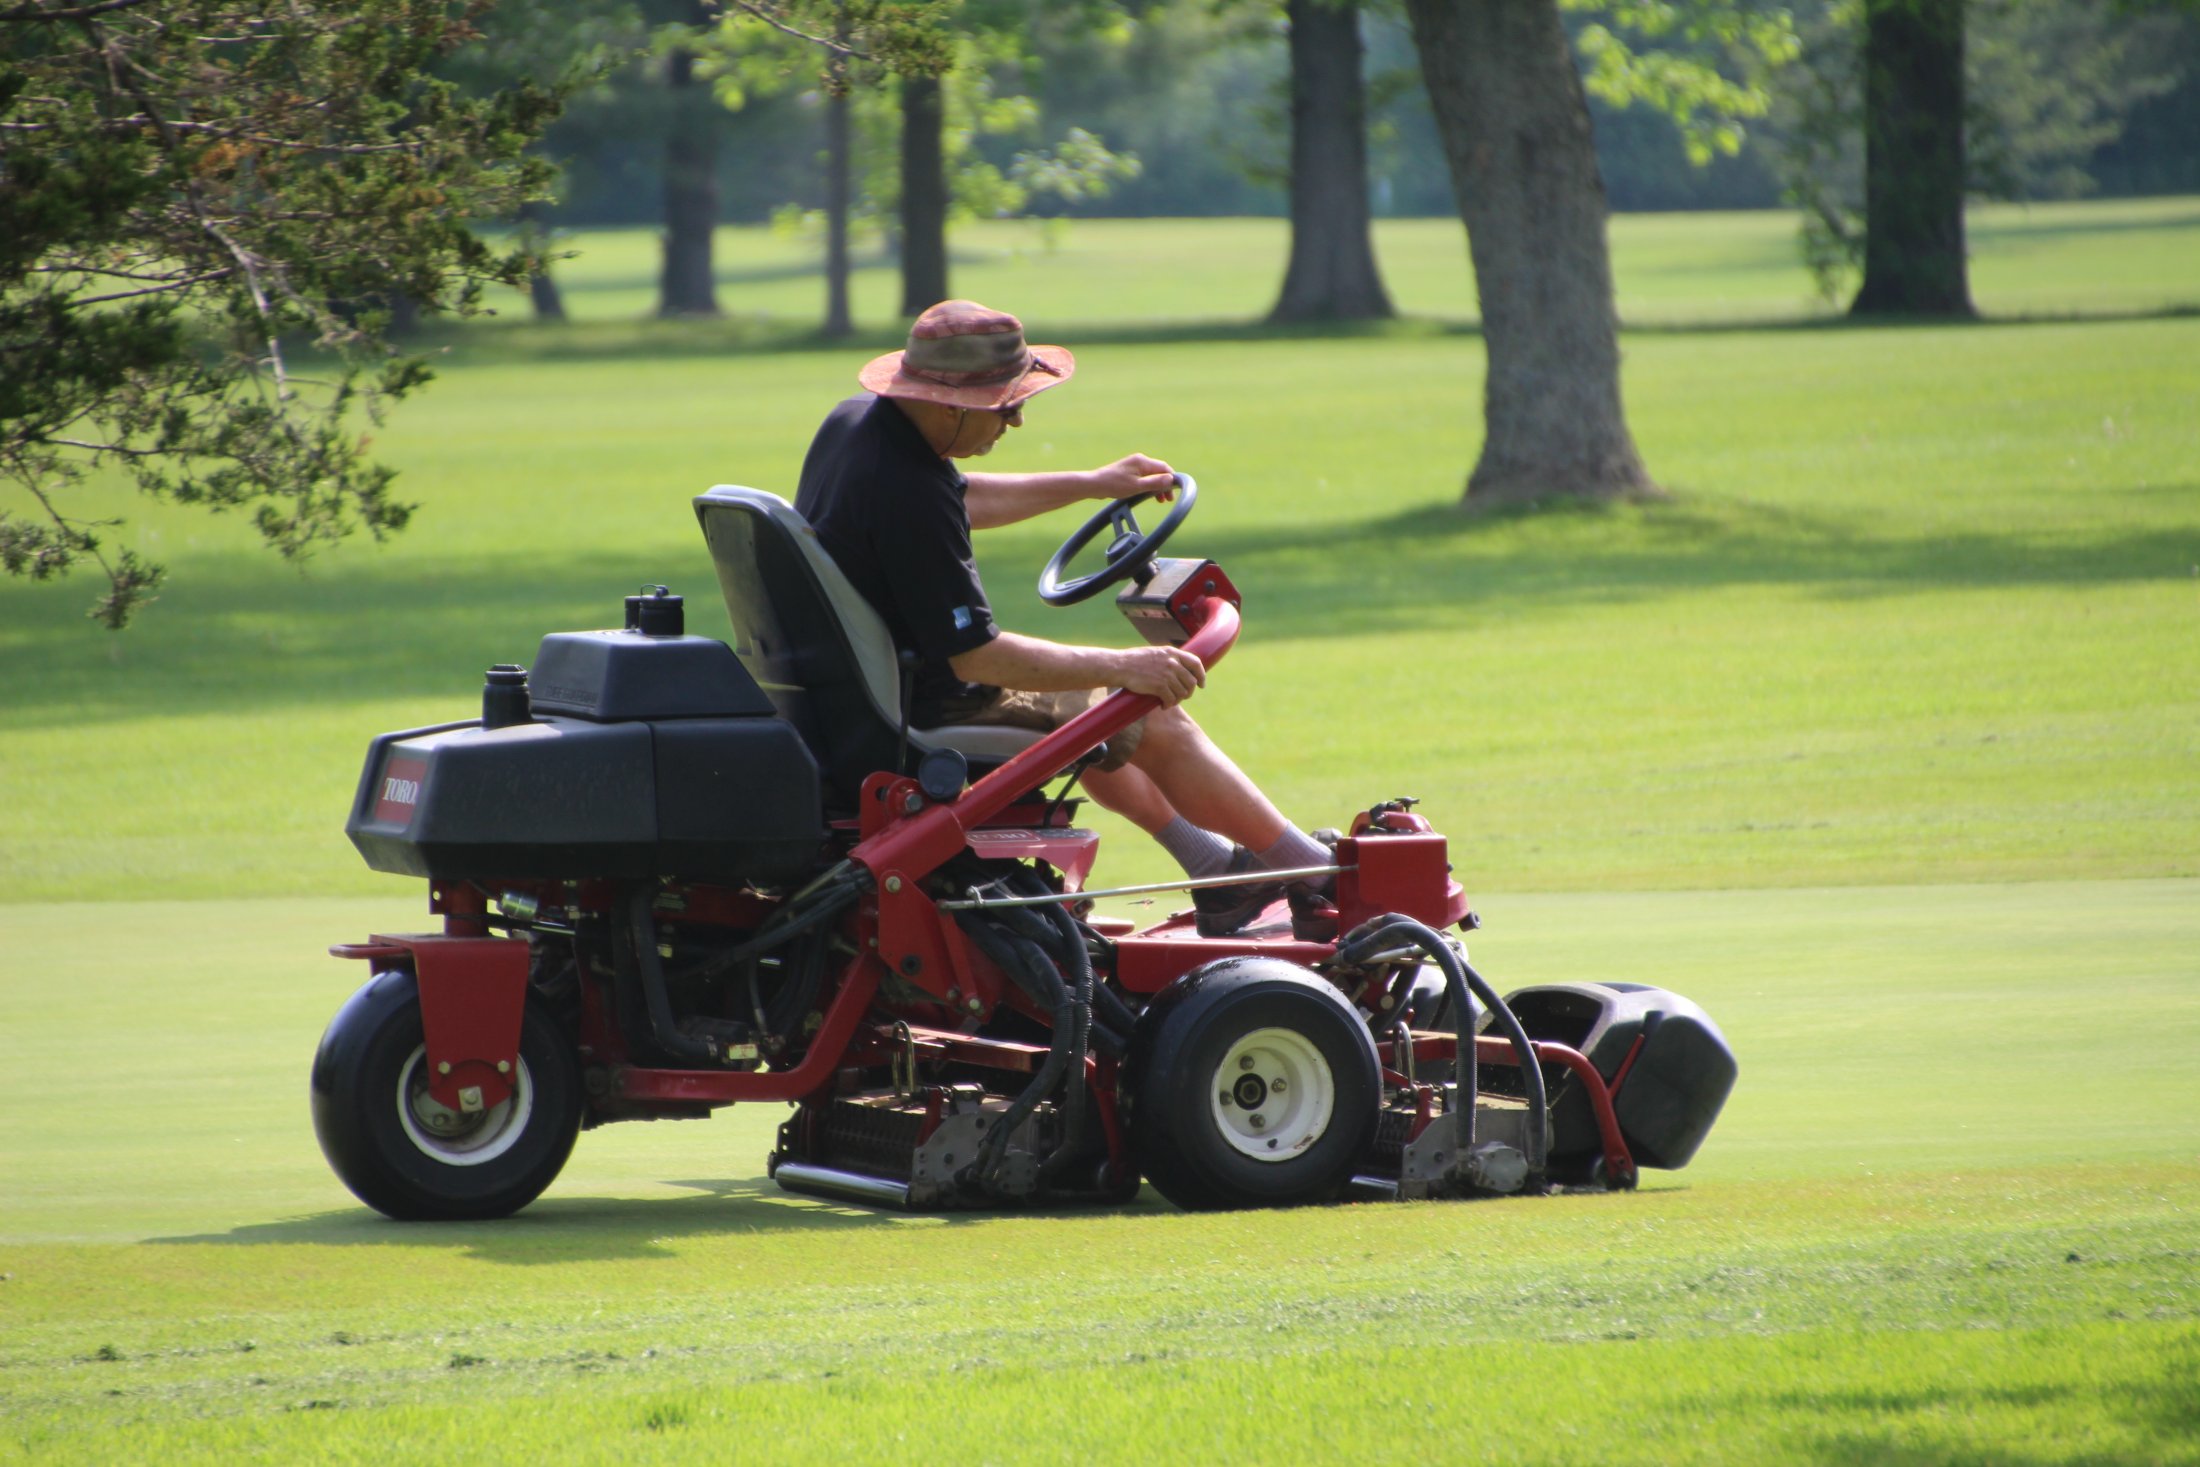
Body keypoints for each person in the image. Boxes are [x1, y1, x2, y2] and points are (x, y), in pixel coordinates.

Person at [794, 299, 1335, 939]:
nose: (1017, 421)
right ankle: (1318, 874)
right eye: (1005, 407)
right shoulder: (907, 492)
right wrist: (1129, 666)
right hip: (925, 712)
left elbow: (959, 498)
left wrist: (1094, 482)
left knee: (1101, 703)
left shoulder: (862, 425)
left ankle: (1219, 871)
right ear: (951, 405)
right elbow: (979, 656)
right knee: (1147, 711)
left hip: (863, 699)